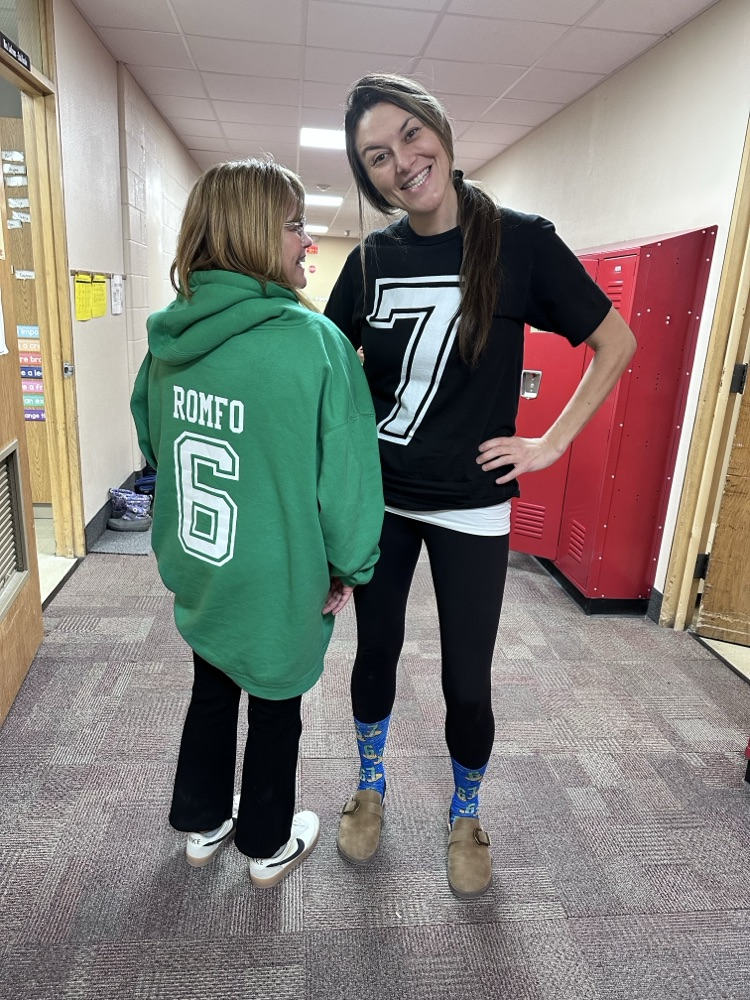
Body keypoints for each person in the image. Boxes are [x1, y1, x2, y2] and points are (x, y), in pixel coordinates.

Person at [324, 74, 636, 900]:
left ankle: (466, 812)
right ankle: (370, 784)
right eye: (378, 157)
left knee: (468, 676)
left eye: (411, 135)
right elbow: (323, 374)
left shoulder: (520, 242)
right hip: (385, 499)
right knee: (375, 653)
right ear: (369, 178)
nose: (403, 162)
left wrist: (550, 444)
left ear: (442, 130)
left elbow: (617, 340)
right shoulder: (371, 259)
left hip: (472, 505)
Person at [130, 158, 383, 889]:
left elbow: (152, 442)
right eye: (296, 223)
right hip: (279, 572)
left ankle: (204, 824)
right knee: (276, 708)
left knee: (211, 686)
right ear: (248, 233)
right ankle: (268, 843)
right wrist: (350, 567)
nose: (307, 242)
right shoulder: (315, 344)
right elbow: (348, 484)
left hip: (203, 561)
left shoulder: (166, 341)